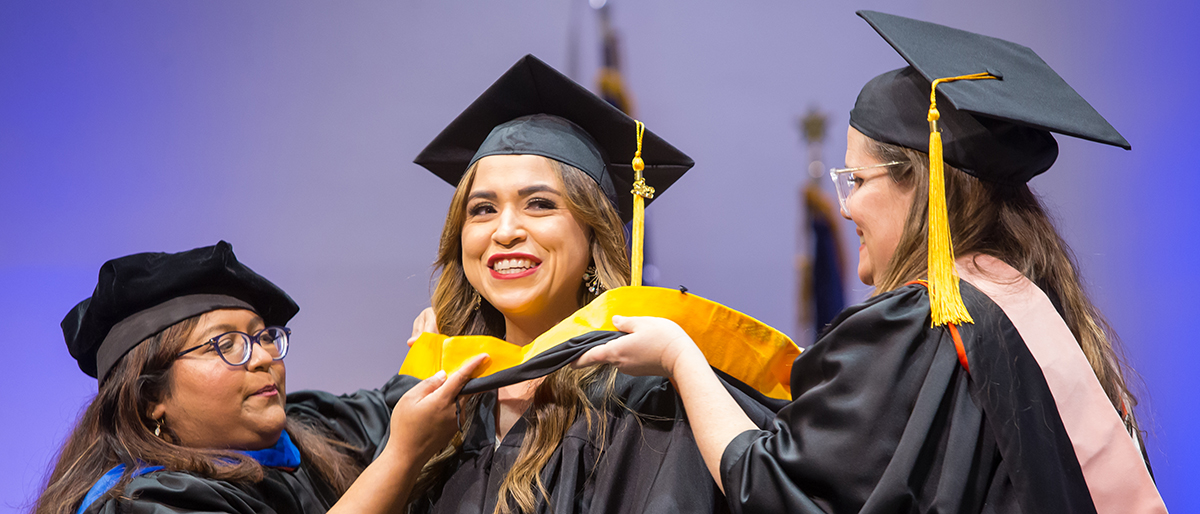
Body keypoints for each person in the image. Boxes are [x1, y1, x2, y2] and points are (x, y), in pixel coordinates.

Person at [575, 11, 1168, 514]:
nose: (848, 204)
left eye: (858, 178)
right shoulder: (1031, 309)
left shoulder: (923, 323)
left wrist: (680, 357)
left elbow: (778, 489)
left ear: (923, 185)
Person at [403, 54, 778, 514]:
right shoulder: (441, 407)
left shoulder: (645, 401)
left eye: (539, 204)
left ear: (593, 234)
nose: (504, 230)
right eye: (482, 209)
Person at [33, 241, 487, 514]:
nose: (263, 358)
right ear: (151, 396)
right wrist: (402, 457)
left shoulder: (302, 436)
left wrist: (436, 353)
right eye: (225, 344)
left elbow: (390, 409)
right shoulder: (145, 502)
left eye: (264, 336)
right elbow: (399, 436)